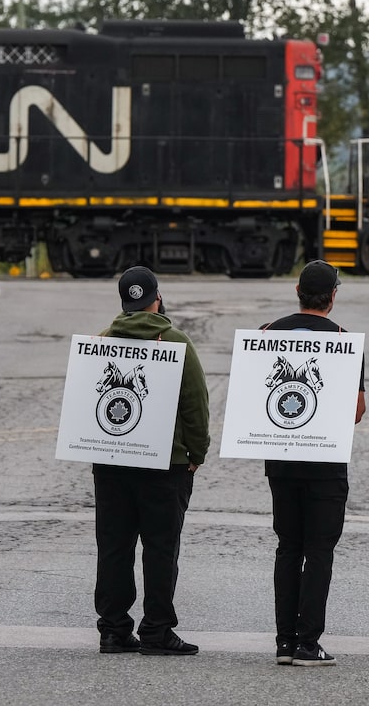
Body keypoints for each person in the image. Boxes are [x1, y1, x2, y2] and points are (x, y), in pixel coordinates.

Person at [93, 266, 210, 656]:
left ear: (124, 303)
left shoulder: (102, 342)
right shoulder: (175, 341)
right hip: (165, 466)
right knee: (161, 548)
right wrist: (197, 453)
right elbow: (195, 405)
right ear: (156, 299)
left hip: (111, 462)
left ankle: (113, 630)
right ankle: (157, 630)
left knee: (114, 547)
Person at [262, 260, 366, 667]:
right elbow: (356, 410)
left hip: (282, 462)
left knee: (288, 546)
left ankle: (284, 643)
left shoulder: (268, 334)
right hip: (324, 463)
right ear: (333, 296)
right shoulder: (343, 339)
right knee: (319, 551)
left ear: (297, 291)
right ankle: (309, 644)